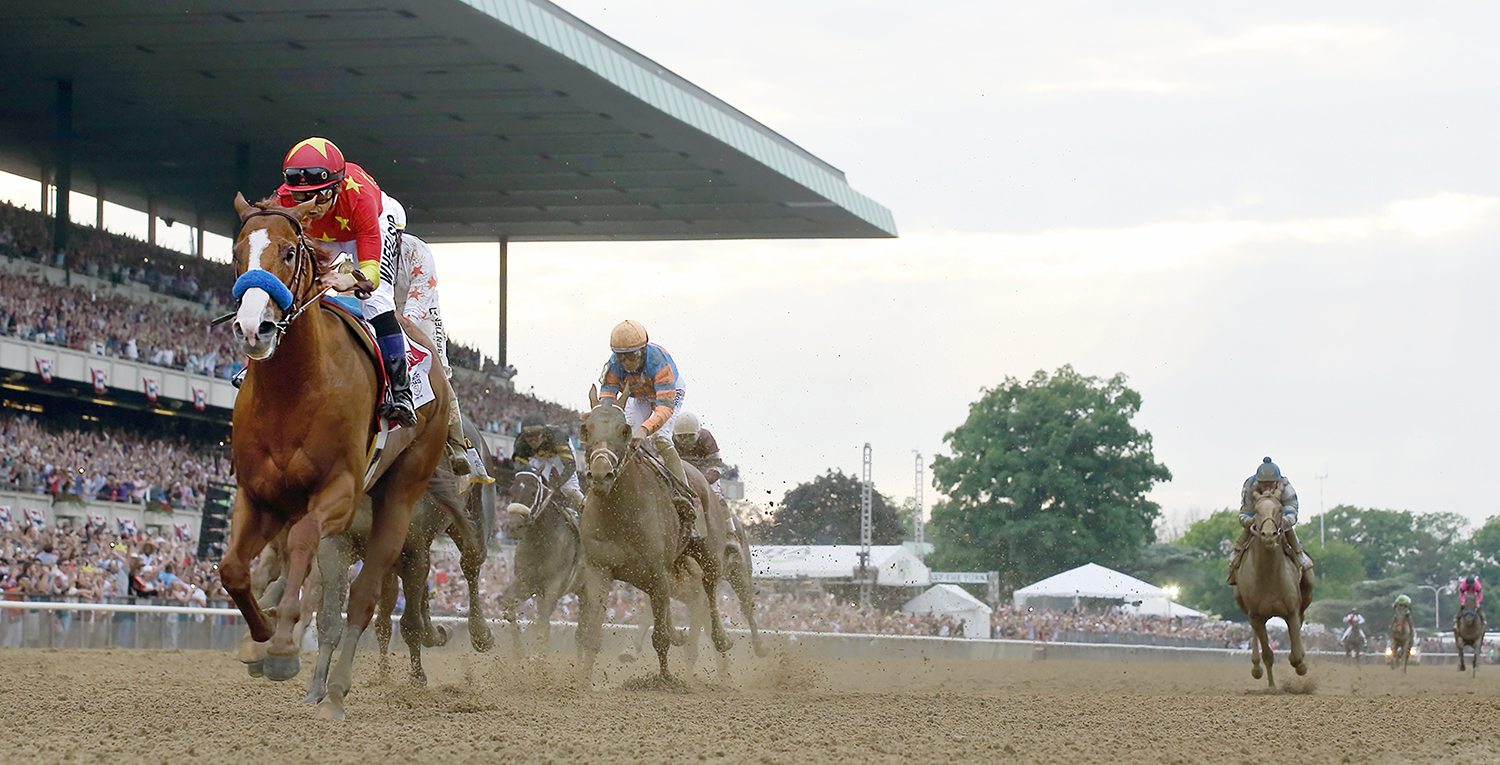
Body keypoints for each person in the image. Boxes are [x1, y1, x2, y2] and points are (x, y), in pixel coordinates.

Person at [275, 137, 416, 425]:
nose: (311, 206)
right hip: (322, 235)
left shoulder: (360, 200)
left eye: (319, 196)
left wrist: (344, 279)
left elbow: (371, 278)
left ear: (337, 187)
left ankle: (402, 392)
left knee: (376, 302)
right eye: (302, 198)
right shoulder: (284, 200)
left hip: (364, 227)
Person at [388, 231, 491, 482]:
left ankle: (457, 445)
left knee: (438, 373)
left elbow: (419, 298)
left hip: (421, 315)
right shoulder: (365, 245)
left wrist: (399, 329)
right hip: (384, 310)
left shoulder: (418, 251)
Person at [597, 319, 697, 534]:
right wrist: (608, 416)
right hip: (640, 395)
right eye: (621, 356)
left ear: (642, 350)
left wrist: (645, 429)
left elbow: (664, 407)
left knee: (659, 438)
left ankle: (683, 493)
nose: (626, 362)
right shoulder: (613, 364)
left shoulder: (659, 361)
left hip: (668, 393)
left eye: (631, 356)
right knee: (630, 438)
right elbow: (607, 395)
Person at [1227, 457, 1312, 586]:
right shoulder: (1249, 486)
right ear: (1258, 481)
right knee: (1247, 531)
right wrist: (1251, 521)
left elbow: (1292, 511)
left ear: (1277, 481)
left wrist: (1279, 522)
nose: (1267, 486)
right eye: (1263, 483)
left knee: (1288, 530)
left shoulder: (1286, 488)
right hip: (1258, 519)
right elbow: (1245, 512)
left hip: (1279, 519)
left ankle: (1299, 555)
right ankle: (1236, 557)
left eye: (1270, 483)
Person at [511, 415, 584, 517]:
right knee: (535, 483)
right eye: (528, 436)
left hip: (558, 456)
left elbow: (570, 465)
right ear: (523, 436)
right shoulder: (521, 444)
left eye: (536, 435)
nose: (532, 440)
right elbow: (520, 470)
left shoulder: (557, 438)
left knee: (569, 488)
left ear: (544, 434)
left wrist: (554, 485)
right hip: (539, 458)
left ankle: (584, 509)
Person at [672, 411, 726, 492]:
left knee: (716, 496)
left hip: (703, 474)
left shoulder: (706, 438)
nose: (686, 440)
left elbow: (716, 466)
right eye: (682, 437)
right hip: (679, 475)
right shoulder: (670, 439)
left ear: (698, 433)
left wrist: (704, 479)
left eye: (690, 436)